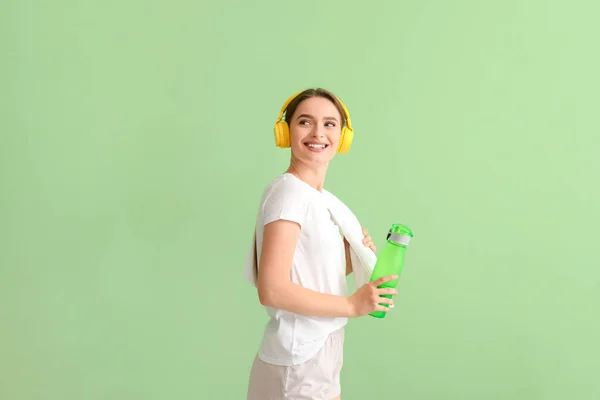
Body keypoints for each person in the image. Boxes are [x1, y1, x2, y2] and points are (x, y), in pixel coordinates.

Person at [246, 88, 398, 400]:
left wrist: (346, 255)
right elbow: (272, 288)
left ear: (342, 136)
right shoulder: (290, 195)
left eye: (329, 124)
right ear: (286, 130)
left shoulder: (317, 200)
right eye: (305, 122)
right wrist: (352, 305)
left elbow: (304, 272)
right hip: (299, 357)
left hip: (316, 349)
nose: (318, 133)